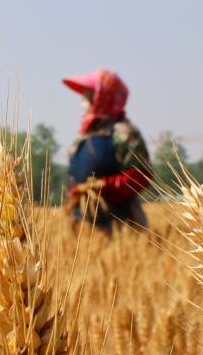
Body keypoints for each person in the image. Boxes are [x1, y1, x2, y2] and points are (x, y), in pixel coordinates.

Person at [63, 69, 153, 234]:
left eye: (88, 93)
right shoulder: (84, 135)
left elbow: (142, 175)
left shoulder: (124, 133)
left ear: (102, 96)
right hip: (84, 227)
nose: (83, 99)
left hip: (120, 225)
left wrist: (105, 186)